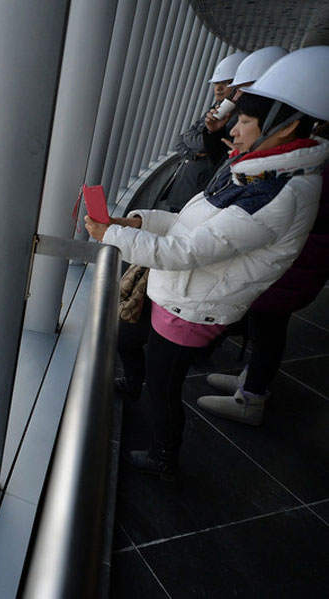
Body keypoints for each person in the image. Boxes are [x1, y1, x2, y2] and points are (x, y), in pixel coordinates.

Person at [85, 46, 329, 478]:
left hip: (193, 308)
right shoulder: (261, 173)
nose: (232, 133)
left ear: (285, 128)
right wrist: (136, 220)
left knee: (163, 389)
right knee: (135, 346)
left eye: (245, 123)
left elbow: (187, 251)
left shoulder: (275, 194)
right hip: (183, 295)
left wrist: (113, 236)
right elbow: (188, 223)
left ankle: (164, 457)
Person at [197, 124, 329, 425]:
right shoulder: (316, 159)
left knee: (268, 329)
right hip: (303, 259)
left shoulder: (313, 164)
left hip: (297, 262)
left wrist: (250, 162)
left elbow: (281, 199)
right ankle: (253, 380)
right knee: (268, 328)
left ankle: (250, 398)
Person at [160, 52, 248, 212]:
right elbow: (181, 139)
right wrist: (192, 152)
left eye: (226, 83)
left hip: (198, 188)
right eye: (216, 83)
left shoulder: (235, 116)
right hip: (187, 184)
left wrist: (192, 143)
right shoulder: (217, 107)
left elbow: (203, 144)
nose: (219, 88)